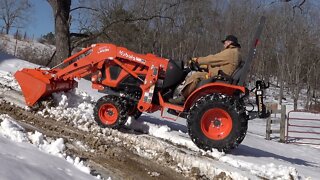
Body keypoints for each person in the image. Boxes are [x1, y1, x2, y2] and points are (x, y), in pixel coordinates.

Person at [169, 35, 242, 105]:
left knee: (196, 75)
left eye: (225, 42)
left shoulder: (231, 52)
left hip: (221, 78)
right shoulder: (235, 52)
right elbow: (219, 65)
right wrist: (203, 66)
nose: (224, 44)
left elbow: (213, 59)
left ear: (230, 42)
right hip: (222, 76)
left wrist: (197, 60)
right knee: (199, 73)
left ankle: (183, 98)